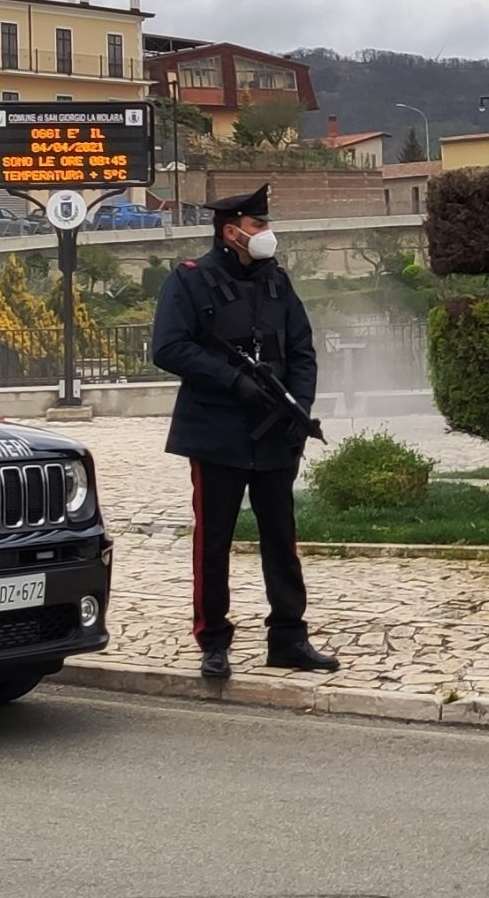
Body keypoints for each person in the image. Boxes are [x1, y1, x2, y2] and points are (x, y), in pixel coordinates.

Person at [149, 183, 340, 680]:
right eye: (259, 226)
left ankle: (289, 637)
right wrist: (233, 380)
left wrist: (299, 407)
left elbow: (303, 350)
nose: (267, 234)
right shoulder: (189, 281)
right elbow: (168, 348)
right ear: (231, 231)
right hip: (216, 430)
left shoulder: (278, 282)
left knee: (282, 537)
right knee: (214, 542)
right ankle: (213, 640)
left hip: (276, 431)